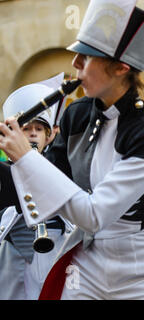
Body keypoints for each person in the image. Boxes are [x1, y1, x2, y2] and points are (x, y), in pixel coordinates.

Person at [0, 0, 144, 300]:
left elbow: (93, 214)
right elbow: (38, 186)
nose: (74, 63)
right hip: (89, 259)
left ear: (120, 67)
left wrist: (25, 156)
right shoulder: (78, 114)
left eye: (86, 57)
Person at [0, 80, 74, 300]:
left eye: (39, 129)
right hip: (11, 253)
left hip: (57, 248)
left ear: (49, 136)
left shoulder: (61, 167)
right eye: (26, 129)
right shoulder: (4, 172)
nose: (33, 134)